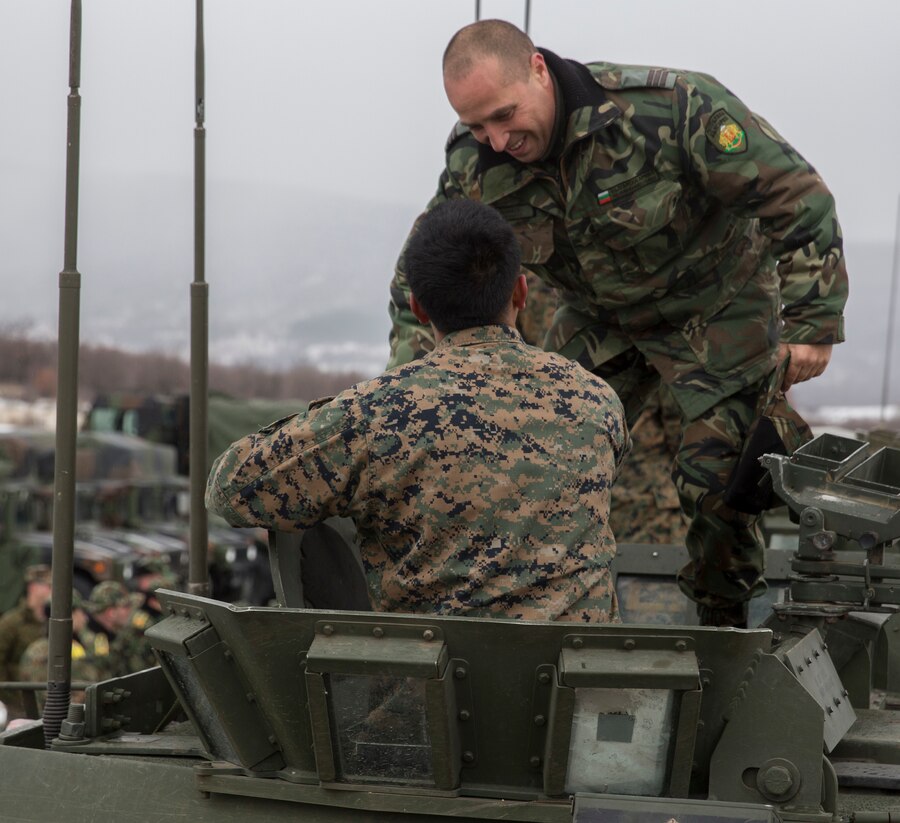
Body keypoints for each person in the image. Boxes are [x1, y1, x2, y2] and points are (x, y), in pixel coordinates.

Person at [387, 20, 848, 627]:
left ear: (538, 70)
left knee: (716, 483)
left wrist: (812, 323)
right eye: (477, 126)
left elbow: (798, 196)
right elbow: (422, 269)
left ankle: (723, 625)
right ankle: (543, 623)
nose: (496, 140)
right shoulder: (476, 162)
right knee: (535, 457)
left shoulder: (670, 110)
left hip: (715, 307)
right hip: (602, 318)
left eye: (504, 115)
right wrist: (407, 388)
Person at [208, 198, 628, 622]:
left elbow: (228, 488)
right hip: (574, 683)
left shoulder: (376, 413)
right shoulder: (597, 401)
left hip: (432, 683)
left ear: (418, 308)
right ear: (520, 291)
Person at [0, 565, 51, 717]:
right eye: (48, 586)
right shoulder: (12, 622)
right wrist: (10, 696)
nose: (52, 591)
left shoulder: (53, 621)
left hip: (49, 700)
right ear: (33, 587)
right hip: (19, 703)